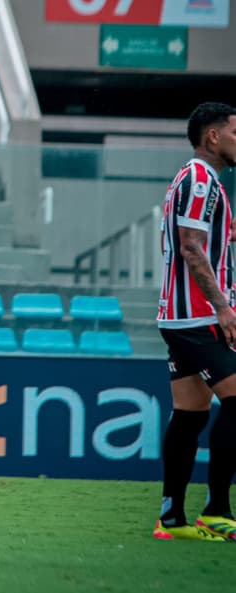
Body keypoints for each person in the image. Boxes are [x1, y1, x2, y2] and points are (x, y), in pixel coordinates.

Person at [154, 101, 236, 542]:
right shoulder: (202, 180)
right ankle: (218, 511)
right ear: (213, 137)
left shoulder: (195, 181)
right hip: (198, 316)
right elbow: (191, 247)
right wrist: (224, 307)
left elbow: (199, 236)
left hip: (181, 315)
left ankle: (171, 519)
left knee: (190, 414)